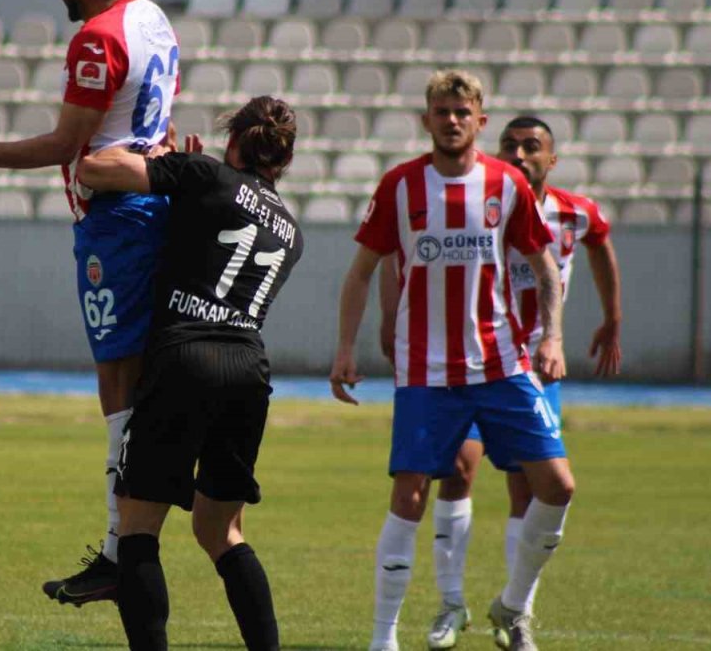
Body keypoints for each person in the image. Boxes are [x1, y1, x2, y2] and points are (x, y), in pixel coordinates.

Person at [0, 0, 179, 605]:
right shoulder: (154, 18)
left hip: (117, 222)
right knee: (136, 378)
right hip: (148, 208)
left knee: (119, 382)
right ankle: (130, 541)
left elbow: (69, 143)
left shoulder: (97, 36)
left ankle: (122, 548)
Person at [329, 69, 573, 651]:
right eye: (442, 111)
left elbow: (544, 269)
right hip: (425, 372)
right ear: (427, 119)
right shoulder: (400, 186)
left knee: (557, 487)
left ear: (479, 121)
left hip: (501, 364)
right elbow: (362, 271)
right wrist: (345, 349)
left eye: (463, 112)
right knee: (410, 494)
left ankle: (512, 607)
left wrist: (553, 337)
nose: (453, 121)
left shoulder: (507, 183)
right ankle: (383, 638)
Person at [77, 95, 303, 651]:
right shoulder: (292, 231)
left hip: (184, 358)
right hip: (248, 368)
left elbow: (93, 169)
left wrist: (163, 157)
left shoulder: (204, 175)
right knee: (220, 531)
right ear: (285, 160)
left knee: (137, 527)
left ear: (234, 138)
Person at [405, 115, 622, 649]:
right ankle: (451, 606)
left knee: (532, 485)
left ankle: (515, 610)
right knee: (457, 469)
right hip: (474, 358)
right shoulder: (482, 202)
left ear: (552, 160)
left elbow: (600, 242)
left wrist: (612, 316)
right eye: (511, 145)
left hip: (533, 367)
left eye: (532, 147)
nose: (520, 154)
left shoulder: (573, 212)